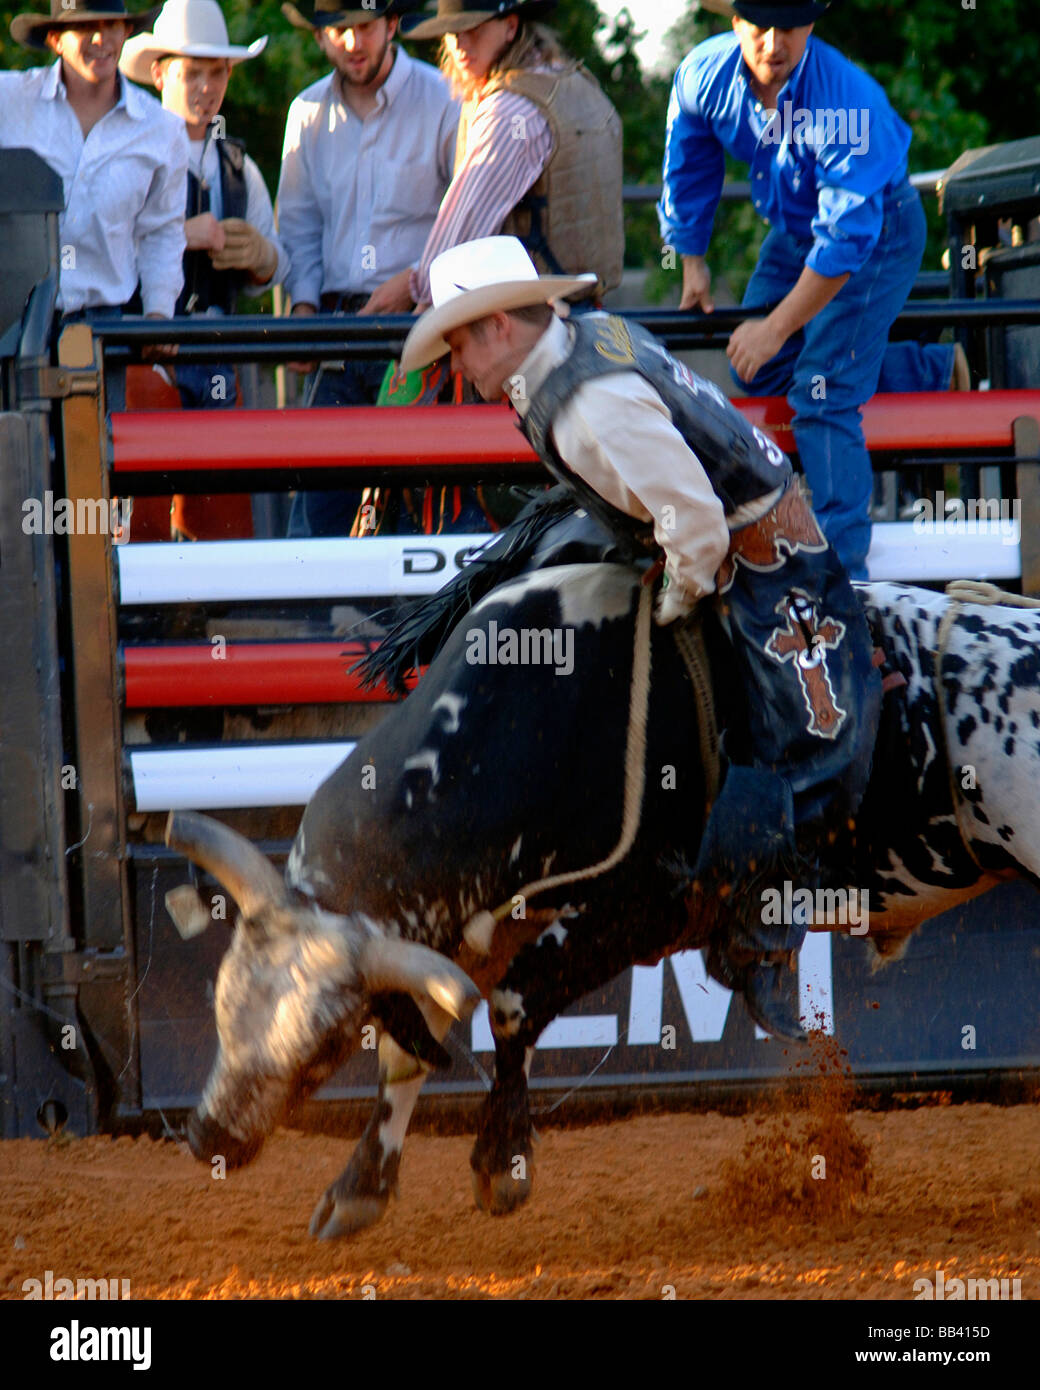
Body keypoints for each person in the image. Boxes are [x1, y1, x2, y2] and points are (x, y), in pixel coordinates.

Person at [398, 234, 883, 1037]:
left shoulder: (589, 405)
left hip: (762, 554)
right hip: (718, 517)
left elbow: (695, 524)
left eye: (457, 343)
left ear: (498, 330)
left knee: (806, 748)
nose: (455, 365)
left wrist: (679, 591)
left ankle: (759, 938)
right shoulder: (578, 343)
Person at [659, 0, 964, 581]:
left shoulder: (846, 99)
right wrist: (690, 258)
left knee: (822, 398)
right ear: (734, 21)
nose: (774, 42)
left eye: (790, 26)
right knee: (755, 371)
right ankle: (926, 369)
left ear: (813, 24)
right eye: (760, 24)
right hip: (797, 232)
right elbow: (689, 157)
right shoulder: (704, 74)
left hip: (877, 237)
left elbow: (846, 241)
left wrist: (776, 327)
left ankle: (839, 575)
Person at [276, 0, 458, 536]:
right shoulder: (306, 112)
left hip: (420, 328)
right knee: (320, 501)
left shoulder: (444, 98)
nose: (353, 42)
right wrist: (304, 308)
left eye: (364, 27)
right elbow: (300, 224)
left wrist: (416, 283)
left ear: (392, 25)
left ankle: (407, 619)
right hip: (335, 326)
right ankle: (317, 616)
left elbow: (466, 217)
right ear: (320, 37)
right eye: (339, 30)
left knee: (411, 497)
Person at [398, 0, 623, 312]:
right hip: (587, 306)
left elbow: (460, 238)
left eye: (473, 28)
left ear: (511, 27)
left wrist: (418, 294)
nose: (460, 44)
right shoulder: (579, 84)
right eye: (451, 33)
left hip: (530, 320)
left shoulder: (509, 110)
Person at [120, 0, 289, 411]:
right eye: (192, 73)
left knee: (216, 470)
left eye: (217, 73)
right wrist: (178, 236)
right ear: (159, 74)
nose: (206, 87)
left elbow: (277, 266)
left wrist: (261, 255)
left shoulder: (239, 167)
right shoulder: (129, 156)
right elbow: (102, 252)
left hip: (217, 355)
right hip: (139, 355)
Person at [1, 0, 189, 340]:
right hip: (10, 325)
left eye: (111, 26)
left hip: (106, 329)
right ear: (55, 39)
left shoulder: (162, 130)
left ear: (127, 31)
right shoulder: (8, 100)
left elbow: (162, 232)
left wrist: (159, 315)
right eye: (86, 27)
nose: (101, 39)